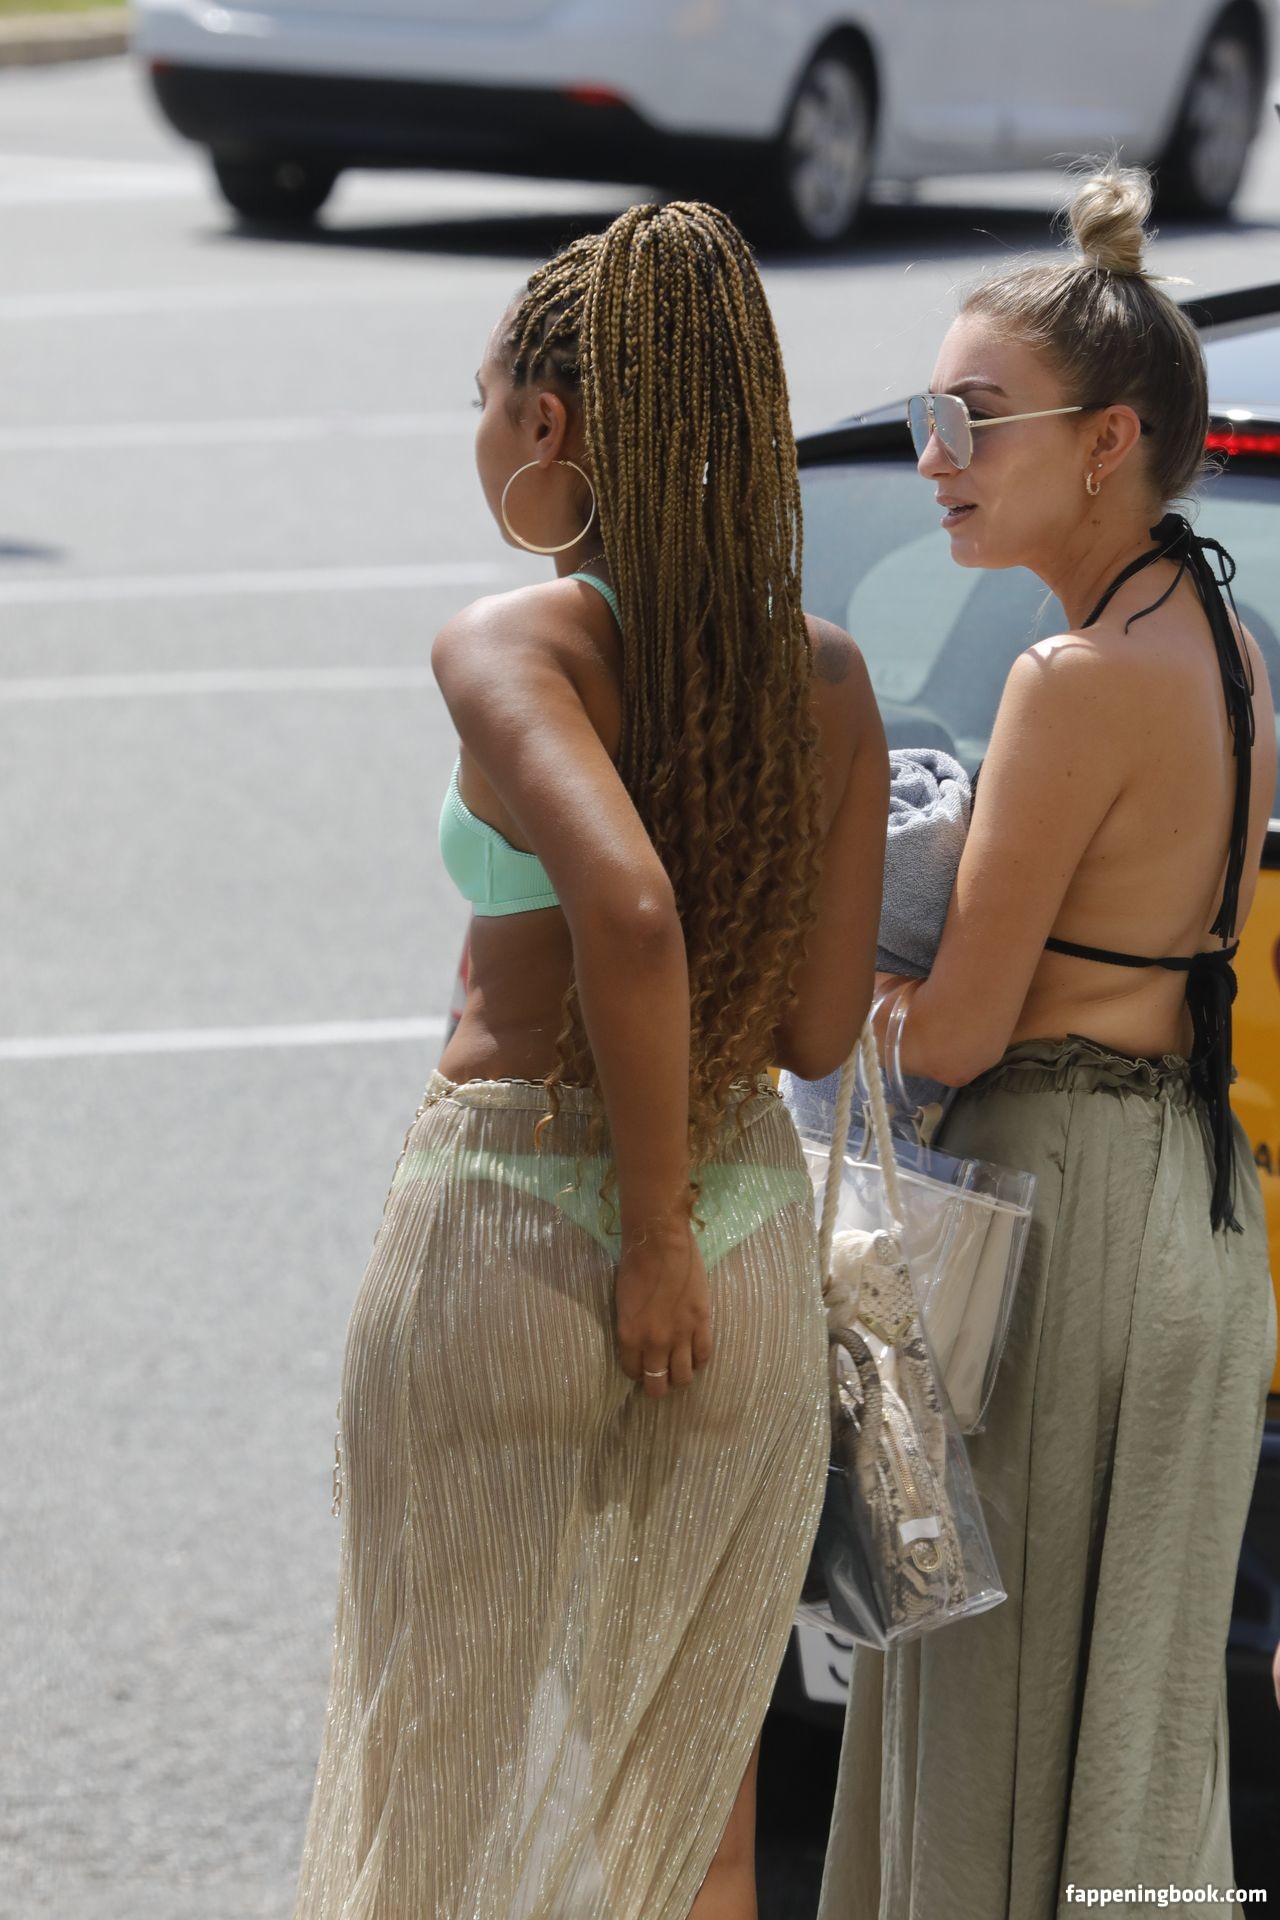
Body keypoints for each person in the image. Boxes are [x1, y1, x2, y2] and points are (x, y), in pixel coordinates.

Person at [291, 200, 888, 1920]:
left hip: (526, 1228)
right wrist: (691, 1232)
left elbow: (626, 914)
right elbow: (815, 1028)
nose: (481, 434)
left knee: (443, 1798)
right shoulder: (825, 676)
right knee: (697, 1819)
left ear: (547, 421)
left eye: (484, 403)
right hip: (751, 1256)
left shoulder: (516, 645)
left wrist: (650, 1235)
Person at [817, 165, 1277, 1917]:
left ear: (1107, 444)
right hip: (1194, 1210)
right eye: (929, 415)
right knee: (1140, 1737)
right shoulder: (1225, 642)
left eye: (970, 419)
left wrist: (829, 979)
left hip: (1057, 1214)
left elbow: (957, 1029)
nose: (934, 453)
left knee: (987, 1723)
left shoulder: (1069, 682)